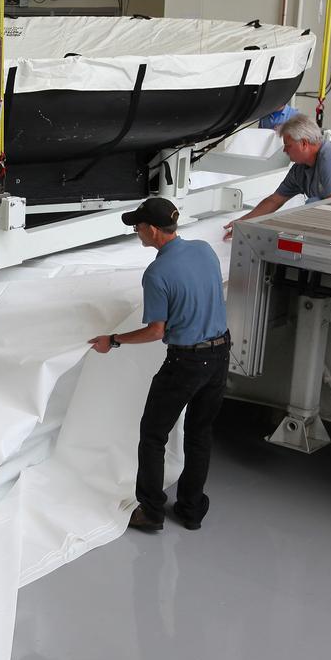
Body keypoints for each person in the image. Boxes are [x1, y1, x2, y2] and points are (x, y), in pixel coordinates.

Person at [90, 198, 228, 532]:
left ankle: (151, 512)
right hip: (220, 353)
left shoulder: (157, 273)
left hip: (186, 362)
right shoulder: (204, 249)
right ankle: (191, 510)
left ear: (153, 230)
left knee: (153, 435)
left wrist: (114, 340)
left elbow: (156, 330)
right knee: (199, 433)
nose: (136, 232)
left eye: (138, 227)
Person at [223, 114, 331, 239]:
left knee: (312, 205)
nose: (285, 151)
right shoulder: (300, 168)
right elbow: (275, 200)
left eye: (288, 146)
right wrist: (242, 222)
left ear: (304, 144)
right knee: (311, 207)